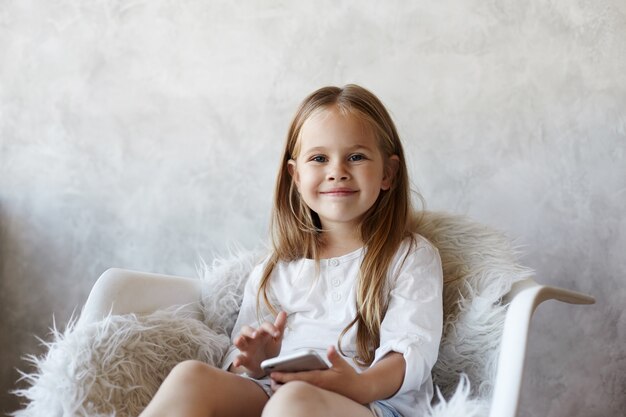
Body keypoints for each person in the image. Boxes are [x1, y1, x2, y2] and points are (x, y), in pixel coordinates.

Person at [139, 84, 443, 417]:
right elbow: (240, 361)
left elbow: (410, 352)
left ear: (388, 173)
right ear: (295, 176)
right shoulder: (278, 267)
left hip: (370, 403)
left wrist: (357, 385)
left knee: (294, 402)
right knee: (191, 377)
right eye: (319, 158)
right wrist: (254, 364)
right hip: (275, 392)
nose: (337, 171)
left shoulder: (409, 256)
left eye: (355, 157)